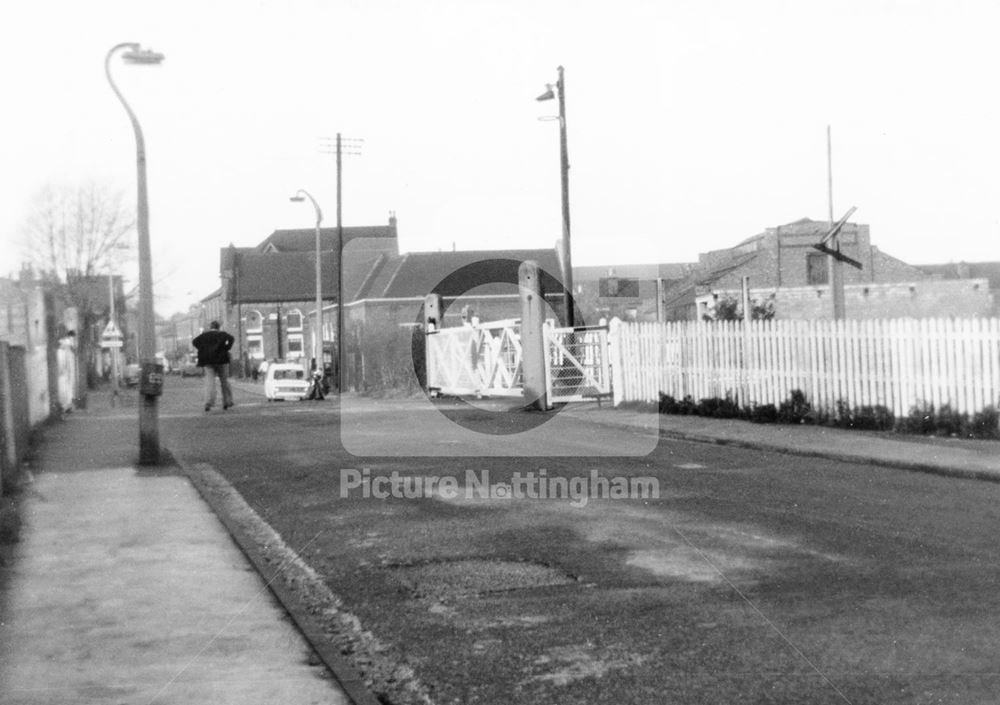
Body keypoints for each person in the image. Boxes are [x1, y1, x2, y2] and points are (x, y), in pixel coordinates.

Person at [192, 321, 235, 412]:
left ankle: (209, 402)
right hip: (221, 360)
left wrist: (202, 349)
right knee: (224, 381)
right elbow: (231, 338)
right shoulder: (222, 334)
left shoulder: (204, 335)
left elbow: (194, 342)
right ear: (218, 327)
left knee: (210, 381)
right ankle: (227, 401)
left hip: (207, 361)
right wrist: (226, 348)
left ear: (210, 327)